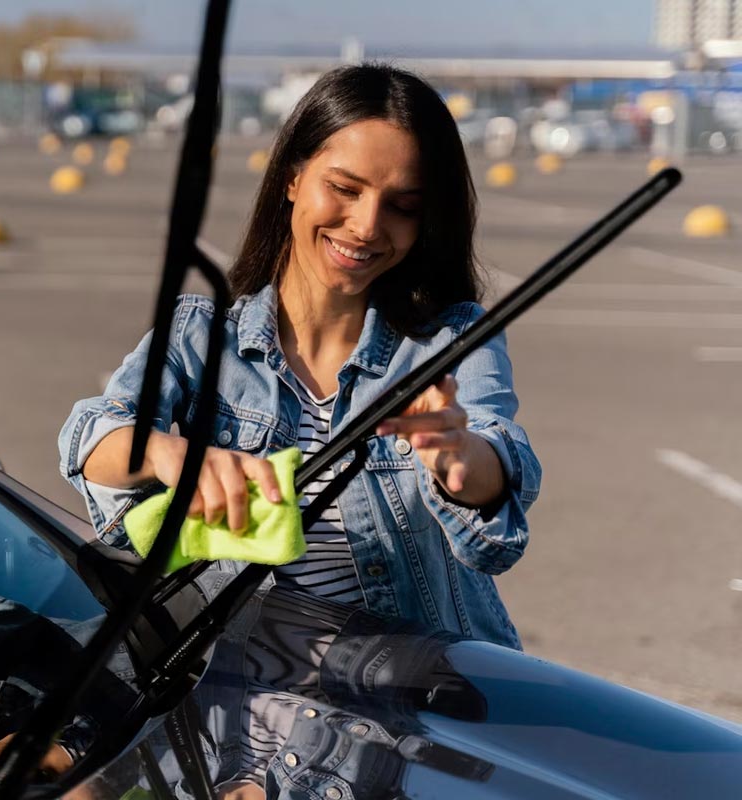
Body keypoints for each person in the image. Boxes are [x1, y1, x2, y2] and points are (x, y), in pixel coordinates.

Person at [58, 62, 541, 652]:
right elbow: (91, 434)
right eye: (344, 188)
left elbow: (495, 478)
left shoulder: (453, 339)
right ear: (292, 177)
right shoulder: (200, 335)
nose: (366, 226)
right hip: (249, 704)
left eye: (403, 206)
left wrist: (461, 463)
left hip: (422, 703)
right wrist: (168, 452)